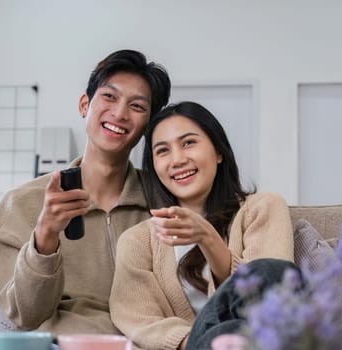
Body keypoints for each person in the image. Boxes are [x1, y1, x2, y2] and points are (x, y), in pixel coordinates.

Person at [0, 49, 170, 335]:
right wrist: (44, 239)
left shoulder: (165, 202)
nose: (119, 113)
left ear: (148, 125)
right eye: (109, 97)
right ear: (85, 104)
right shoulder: (20, 205)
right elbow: (25, 317)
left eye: (137, 106)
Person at [109, 101, 295, 350]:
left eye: (188, 143)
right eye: (162, 151)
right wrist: (200, 342)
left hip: (260, 338)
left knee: (270, 272)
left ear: (218, 152)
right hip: (193, 346)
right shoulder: (137, 240)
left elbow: (266, 296)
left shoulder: (263, 207)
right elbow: (139, 320)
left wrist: (208, 238)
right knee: (228, 334)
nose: (177, 159)